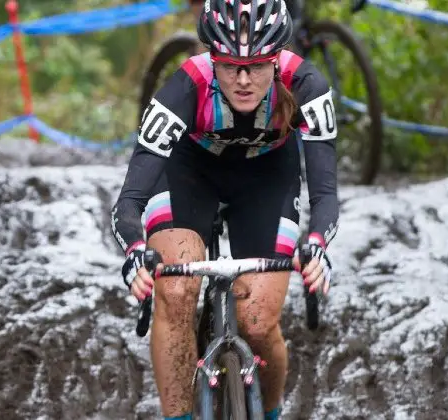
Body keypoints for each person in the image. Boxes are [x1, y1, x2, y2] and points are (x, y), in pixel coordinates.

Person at [111, 0, 339, 418]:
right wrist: (133, 250)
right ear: (211, 57)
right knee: (176, 293)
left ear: (278, 58)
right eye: (230, 65)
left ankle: (268, 411)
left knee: (256, 321)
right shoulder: (184, 87)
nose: (244, 79)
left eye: (257, 66)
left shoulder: (306, 84)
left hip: (267, 178)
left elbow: (324, 194)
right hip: (189, 172)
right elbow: (129, 201)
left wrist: (318, 244)